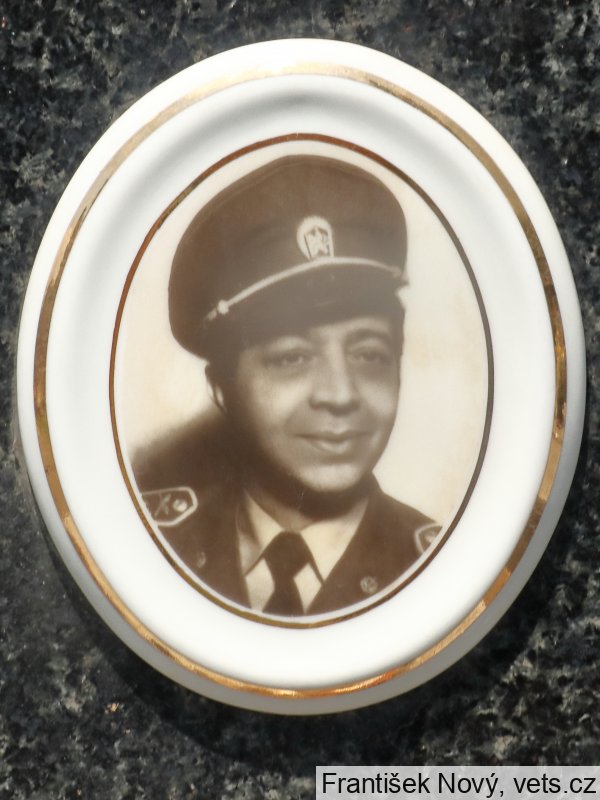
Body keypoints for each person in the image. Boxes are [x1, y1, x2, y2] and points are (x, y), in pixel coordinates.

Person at [138, 154, 439, 618]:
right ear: (221, 389)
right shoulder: (151, 548)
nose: (340, 394)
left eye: (369, 355)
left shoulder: (440, 570)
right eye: (291, 358)